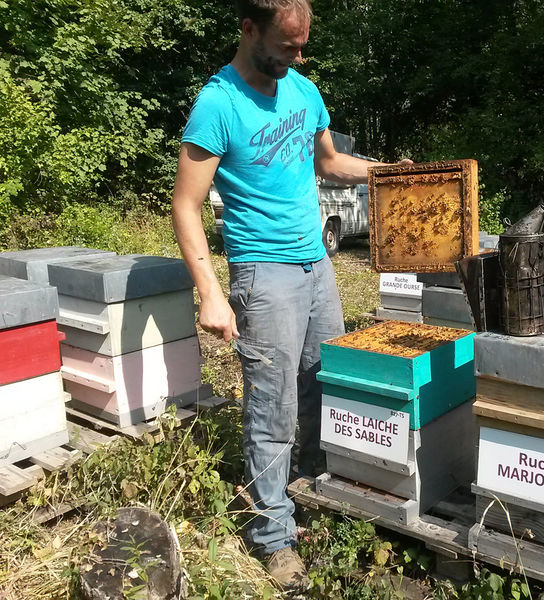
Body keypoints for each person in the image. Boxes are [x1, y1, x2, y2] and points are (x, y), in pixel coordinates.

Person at [171, 0, 408, 591]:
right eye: (286, 46)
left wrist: (388, 172)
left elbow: (328, 163)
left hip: (317, 265)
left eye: (303, 46)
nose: (297, 58)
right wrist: (211, 292)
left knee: (324, 384)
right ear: (249, 29)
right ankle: (272, 533)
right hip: (263, 272)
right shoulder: (217, 104)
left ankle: (313, 488)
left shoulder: (304, 91)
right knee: (271, 405)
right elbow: (186, 205)